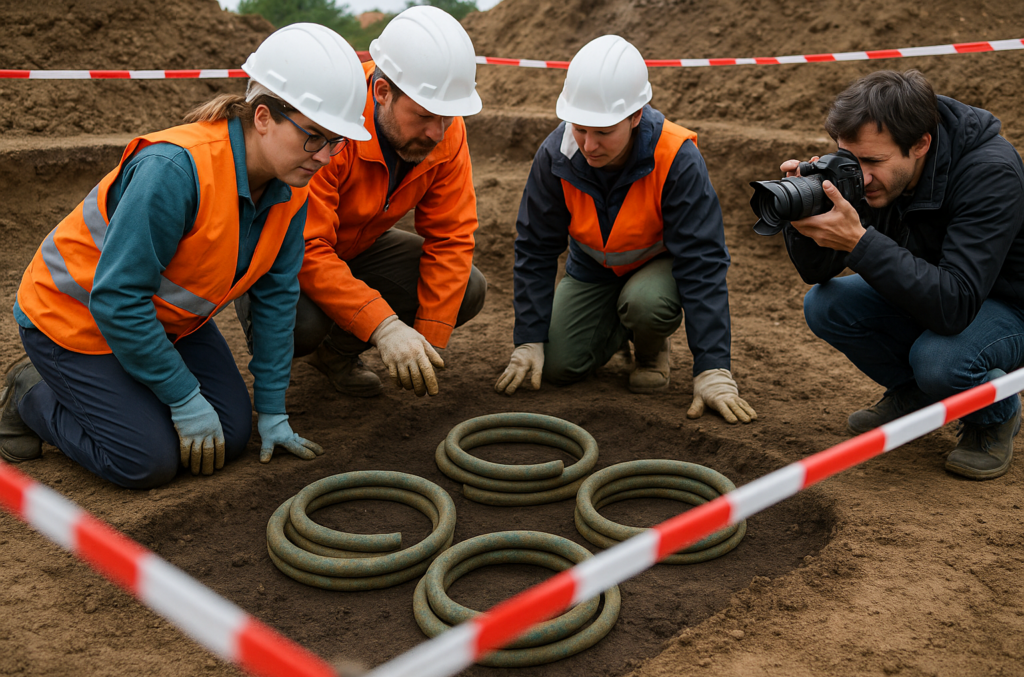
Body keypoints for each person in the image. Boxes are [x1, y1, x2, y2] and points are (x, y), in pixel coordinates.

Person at [0, 24, 371, 488]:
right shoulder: (174, 170)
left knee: (230, 437)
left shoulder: (292, 187)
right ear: (262, 117)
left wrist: (273, 410)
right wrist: (183, 397)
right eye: (314, 136)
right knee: (147, 461)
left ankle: (130, 392)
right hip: (72, 318)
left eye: (336, 141)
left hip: (162, 321)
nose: (325, 157)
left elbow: (276, 300)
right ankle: (30, 393)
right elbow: (117, 298)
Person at [495, 35, 756, 425]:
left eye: (603, 132)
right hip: (593, 267)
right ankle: (617, 326)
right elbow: (535, 247)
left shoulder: (677, 157)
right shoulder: (556, 153)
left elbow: (702, 263)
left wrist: (713, 369)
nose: (589, 145)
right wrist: (529, 339)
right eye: (580, 129)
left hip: (657, 266)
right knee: (557, 367)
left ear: (636, 116)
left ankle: (650, 347)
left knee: (645, 303)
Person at [782, 69, 1024, 480]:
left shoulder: (990, 173)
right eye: (850, 158)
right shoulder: (873, 170)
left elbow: (954, 305)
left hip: (1008, 304)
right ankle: (916, 394)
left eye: (873, 162)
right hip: (938, 287)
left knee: (939, 360)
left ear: (920, 144)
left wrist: (859, 242)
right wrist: (804, 214)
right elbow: (815, 272)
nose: (861, 176)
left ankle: (995, 414)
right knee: (826, 305)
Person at [241, 5, 486, 399]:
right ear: (382, 92)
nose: (438, 133)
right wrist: (384, 326)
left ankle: (334, 355)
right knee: (301, 326)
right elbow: (307, 245)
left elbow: (452, 237)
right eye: (425, 116)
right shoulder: (332, 122)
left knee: (467, 289)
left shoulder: (445, 130)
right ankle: (300, 351)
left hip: (359, 245)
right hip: (285, 250)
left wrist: (426, 339)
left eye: (448, 117)